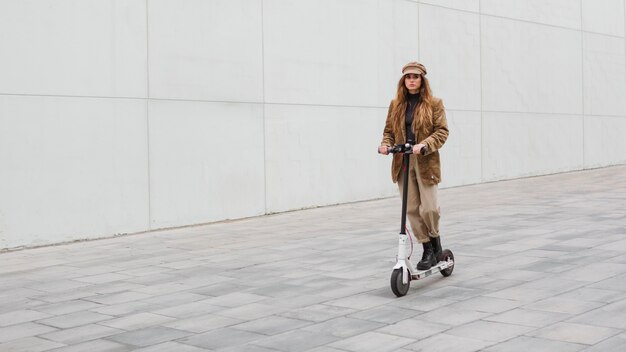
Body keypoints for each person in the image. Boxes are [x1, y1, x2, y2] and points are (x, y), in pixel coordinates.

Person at [378, 62, 449, 270]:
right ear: (403, 80)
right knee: (410, 208)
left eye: (415, 77)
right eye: (408, 76)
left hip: (425, 161)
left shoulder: (434, 103)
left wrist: (425, 144)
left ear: (422, 80)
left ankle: (436, 242)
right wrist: (385, 145)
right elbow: (389, 131)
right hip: (403, 161)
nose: (411, 80)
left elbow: (442, 131)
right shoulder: (396, 104)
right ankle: (427, 248)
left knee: (429, 208)